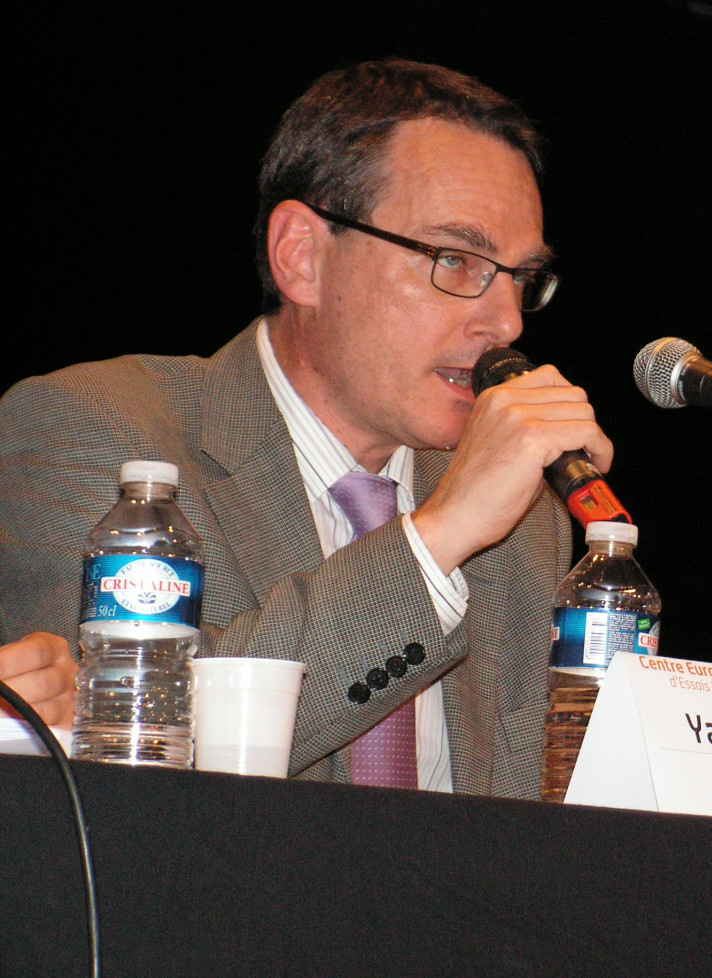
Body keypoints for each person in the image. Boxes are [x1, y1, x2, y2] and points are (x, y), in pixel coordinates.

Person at [0, 58, 612, 796]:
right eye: (455, 259)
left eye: (520, 277)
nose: (506, 321)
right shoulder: (98, 431)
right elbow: (113, 763)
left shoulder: (523, 521)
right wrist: (437, 537)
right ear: (302, 257)